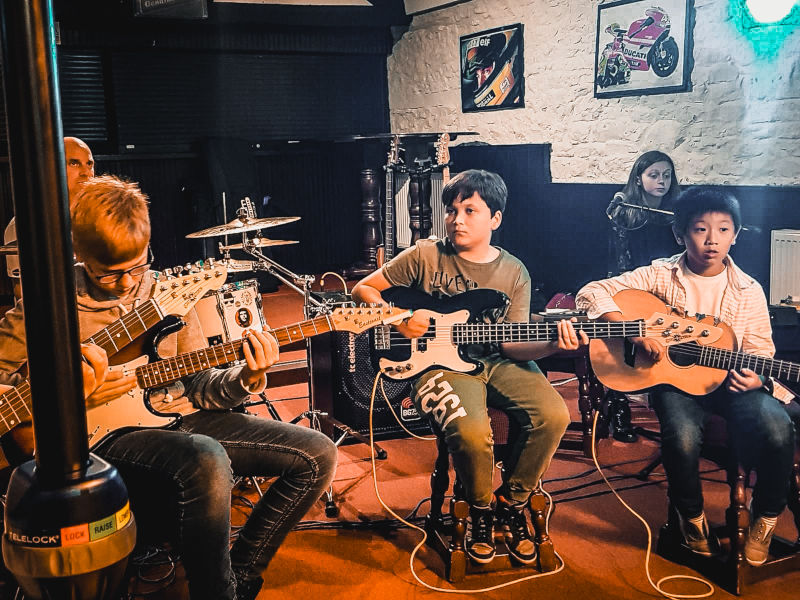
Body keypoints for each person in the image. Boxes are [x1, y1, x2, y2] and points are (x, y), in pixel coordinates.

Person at [0, 175, 338, 600]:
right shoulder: (46, 303)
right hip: (100, 435)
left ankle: (238, 578)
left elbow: (198, 384)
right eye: (109, 274)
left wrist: (247, 379)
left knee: (318, 454)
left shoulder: (168, 294)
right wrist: (64, 396)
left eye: (136, 266)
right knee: (208, 459)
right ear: (79, 254)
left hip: (173, 413)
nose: (126, 284)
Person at [352, 169, 587, 564]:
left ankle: (511, 503)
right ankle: (479, 512)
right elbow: (364, 288)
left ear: (495, 219)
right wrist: (396, 319)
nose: (456, 219)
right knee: (473, 430)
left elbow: (513, 345)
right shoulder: (425, 255)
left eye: (470, 210)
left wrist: (553, 345)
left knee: (554, 414)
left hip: (496, 359)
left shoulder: (514, 272)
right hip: (436, 364)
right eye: (451, 210)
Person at [577, 187, 795, 566]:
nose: (712, 240)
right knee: (680, 436)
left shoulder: (748, 290)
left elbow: (761, 351)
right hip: (676, 386)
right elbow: (591, 292)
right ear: (680, 234)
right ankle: (691, 520)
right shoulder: (662, 274)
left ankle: (767, 519)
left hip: (733, 386)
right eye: (699, 230)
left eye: (724, 230)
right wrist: (633, 331)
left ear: (736, 235)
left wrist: (759, 380)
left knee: (778, 428)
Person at [605, 150, 682, 443]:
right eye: (654, 175)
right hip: (633, 282)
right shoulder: (624, 210)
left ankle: (668, 397)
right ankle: (619, 402)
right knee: (624, 330)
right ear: (639, 178)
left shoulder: (676, 211)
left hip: (668, 284)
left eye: (666, 175)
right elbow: (619, 259)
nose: (661, 181)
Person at [4, 136, 96, 301]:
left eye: (89, 164)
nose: (86, 172)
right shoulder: (23, 226)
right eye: (74, 163)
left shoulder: (98, 218)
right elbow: (23, 295)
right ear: (51, 168)